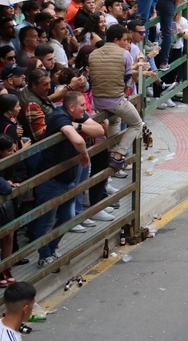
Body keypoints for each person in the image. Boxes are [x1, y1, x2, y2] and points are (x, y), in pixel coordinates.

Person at [30, 91, 104, 268]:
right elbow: (78, 141)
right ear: (71, 107)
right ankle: (44, 256)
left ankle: (52, 249)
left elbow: (100, 130)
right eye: (82, 106)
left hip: (68, 178)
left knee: (68, 216)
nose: (85, 109)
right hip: (51, 181)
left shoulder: (75, 116)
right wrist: (84, 154)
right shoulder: (59, 117)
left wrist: (78, 125)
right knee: (47, 221)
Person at [88, 24, 145, 169]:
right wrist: (123, 93)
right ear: (116, 40)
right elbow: (128, 79)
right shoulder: (124, 54)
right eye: (124, 40)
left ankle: (112, 152)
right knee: (137, 124)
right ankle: (119, 154)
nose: (126, 43)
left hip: (97, 101)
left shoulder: (93, 54)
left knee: (114, 121)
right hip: (115, 100)